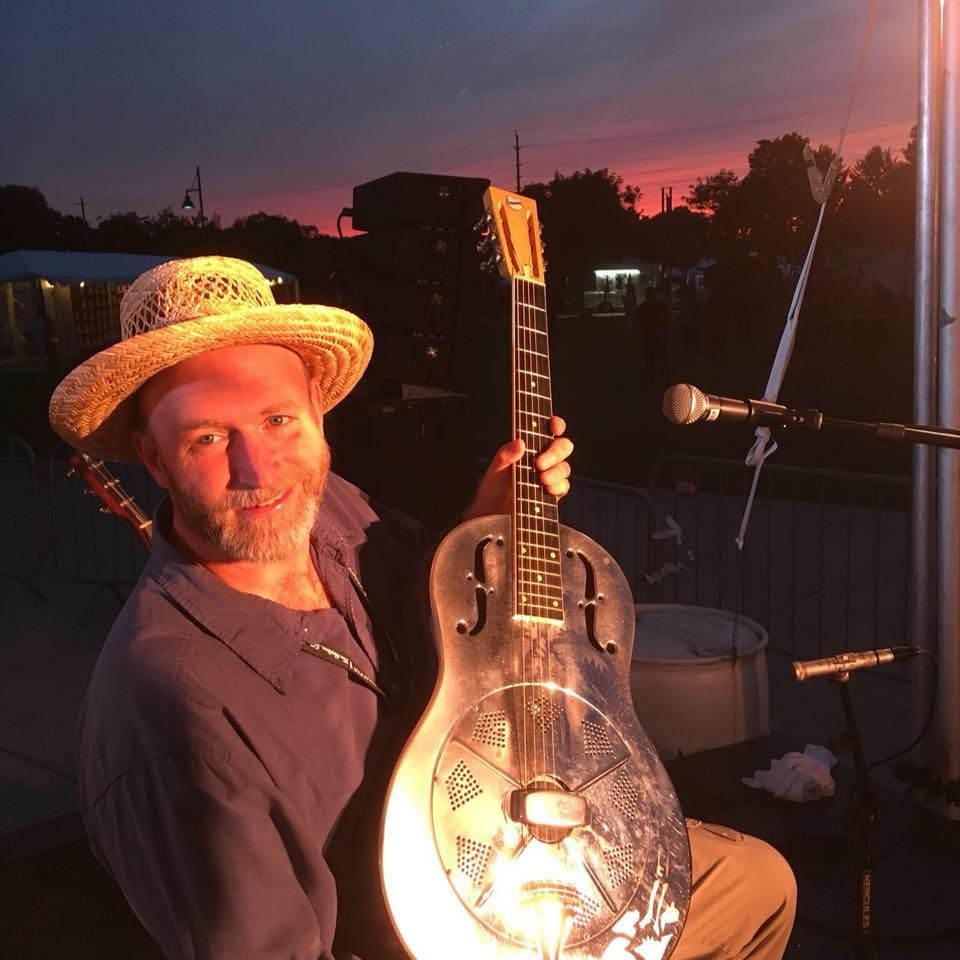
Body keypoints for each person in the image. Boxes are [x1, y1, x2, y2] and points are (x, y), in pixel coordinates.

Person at [49, 256, 795, 959]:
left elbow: (430, 615)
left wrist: (484, 523)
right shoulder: (167, 715)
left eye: (279, 420)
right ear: (152, 456)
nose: (258, 469)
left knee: (759, 885)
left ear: (317, 404)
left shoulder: (332, 509)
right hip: (407, 937)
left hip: (513, 857)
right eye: (208, 438)